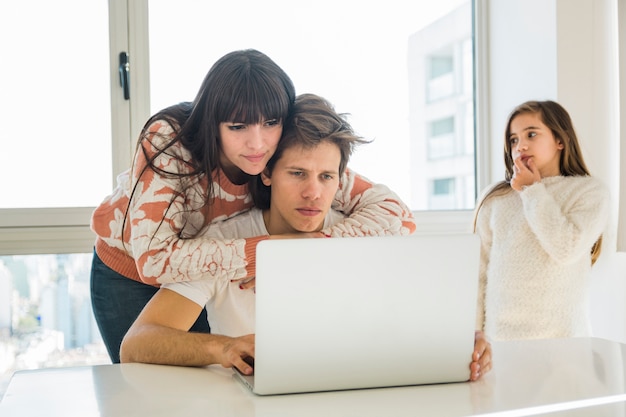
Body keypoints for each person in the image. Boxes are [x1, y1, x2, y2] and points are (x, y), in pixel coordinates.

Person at [120, 93, 492, 381]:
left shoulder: (360, 235)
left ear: (341, 179)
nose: (314, 193)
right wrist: (224, 348)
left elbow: (410, 315)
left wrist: (459, 339)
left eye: (326, 177)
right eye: (297, 173)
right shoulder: (226, 242)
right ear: (265, 174)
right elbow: (138, 342)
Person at [90, 49, 416, 364]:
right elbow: (154, 260)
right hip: (129, 270)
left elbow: (396, 216)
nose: (256, 143)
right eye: (237, 127)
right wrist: (270, 254)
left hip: (205, 269)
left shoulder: (280, 148)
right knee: (149, 383)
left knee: (218, 371)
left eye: (270, 123)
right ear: (213, 121)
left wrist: (312, 248)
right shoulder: (170, 142)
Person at [473, 100, 610, 341]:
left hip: (564, 344)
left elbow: (566, 248)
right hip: (501, 343)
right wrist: (475, 336)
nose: (521, 145)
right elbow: (478, 274)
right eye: (513, 139)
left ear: (560, 140)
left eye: (531, 134)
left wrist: (532, 190)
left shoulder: (590, 192)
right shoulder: (496, 198)